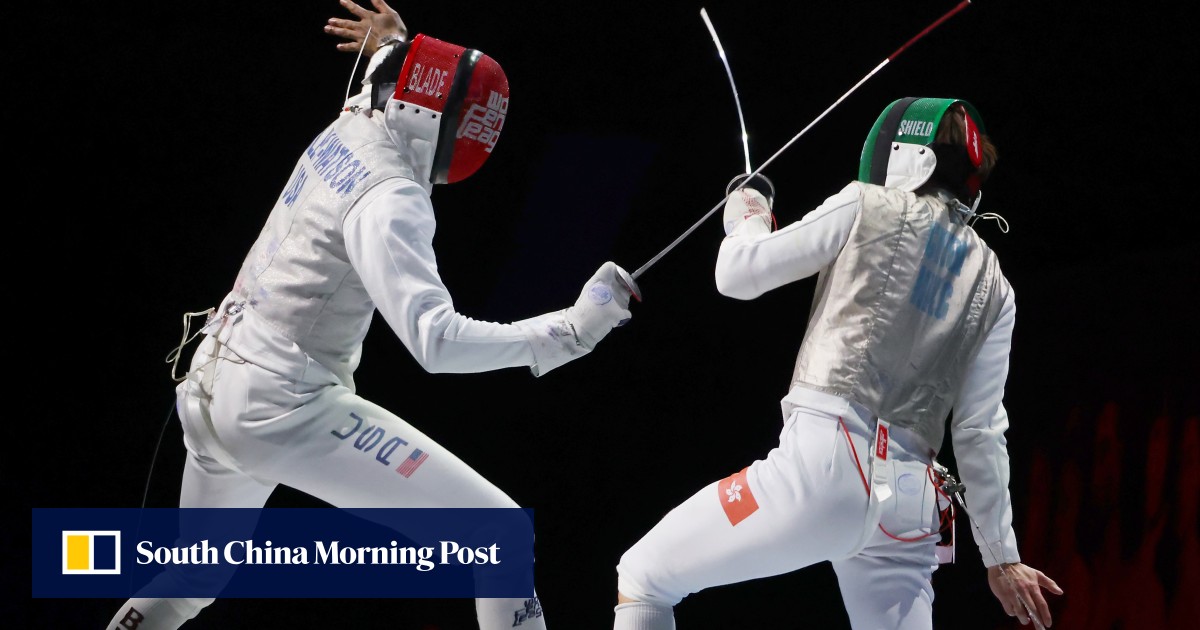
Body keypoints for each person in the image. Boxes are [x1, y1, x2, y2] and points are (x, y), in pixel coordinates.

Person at [106, 1, 637, 628]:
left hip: (210, 386)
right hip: (282, 405)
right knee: (498, 537)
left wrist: (399, 45)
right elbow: (436, 343)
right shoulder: (391, 199)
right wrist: (567, 332)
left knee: (192, 578)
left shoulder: (357, 118)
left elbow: (388, 77)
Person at [611, 98, 1061, 629]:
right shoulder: (996, 284)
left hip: (820, 472)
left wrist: (747, 215)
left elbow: (738, 275)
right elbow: (980, 431)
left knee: (644, 574)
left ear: (903, 155)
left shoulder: (866, 204)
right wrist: (1001, 556)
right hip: (912, 513)